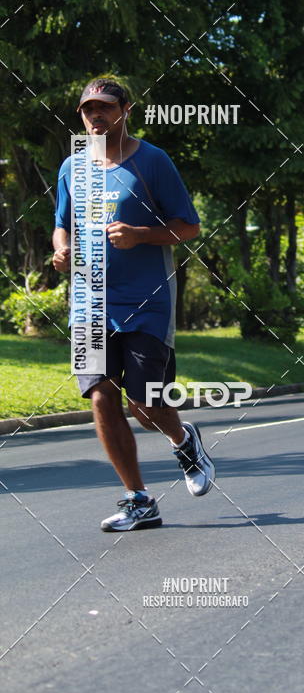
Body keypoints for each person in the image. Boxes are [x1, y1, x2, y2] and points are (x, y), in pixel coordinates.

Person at [52, 78, 215, 531]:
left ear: (125, 109)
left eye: (104, 107)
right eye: (88, 110)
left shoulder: (152, 161)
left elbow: (188, 227)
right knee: (102, 396)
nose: (95, 116)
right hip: (88, 301)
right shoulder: (72, 167)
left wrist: (141, 234)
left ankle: (184, 441)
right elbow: (61, 224)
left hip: (146, 301)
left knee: (145, 405)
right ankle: (138, 498)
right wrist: (60, 250)